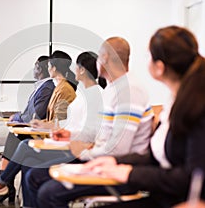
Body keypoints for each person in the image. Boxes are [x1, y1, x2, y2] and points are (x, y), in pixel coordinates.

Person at [37, 26, 205, 208]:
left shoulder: (132, 92)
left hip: (165, 193)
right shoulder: (171, 101)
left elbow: (189, 175)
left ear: (159, 67)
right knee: (38, 177)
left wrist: (123, 169)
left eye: (149, 56)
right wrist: (78, 140)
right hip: (147, 179)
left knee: (48, 191)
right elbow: (153, 156)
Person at [25, 36, 155, 208]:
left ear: (105, 59)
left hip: (118, 170)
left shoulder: (129, 91)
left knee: (49, 193)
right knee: (34, 175)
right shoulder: (112, 89)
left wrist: (84, 154)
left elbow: (119, 149)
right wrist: (70, 135)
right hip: (101, 160)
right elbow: (98, 132)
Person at [0, 50, 82, 205]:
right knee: (19, 143)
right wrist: (40, 123)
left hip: (56, 139)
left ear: (51, 67)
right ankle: (4, 182)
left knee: (21, 143)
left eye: (35, 66)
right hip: (49, 133)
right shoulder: (58, 87)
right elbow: (51, 119)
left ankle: (1, 180)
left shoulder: (61, 88)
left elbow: (59, 121)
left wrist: (39, 124)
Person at [0, 55, 55, 183]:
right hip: (23, 126)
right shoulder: (41, 87)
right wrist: (17, 117)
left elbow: (35, 115)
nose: (33, 69)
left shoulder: (46, 88)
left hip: (29, 131)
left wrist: (17, 117)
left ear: (40, 68)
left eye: (35, 66)